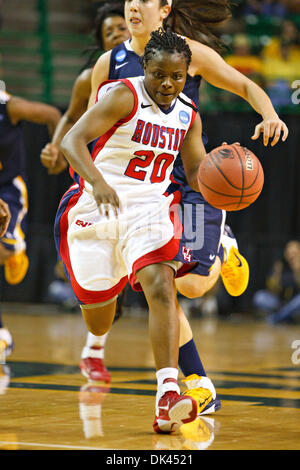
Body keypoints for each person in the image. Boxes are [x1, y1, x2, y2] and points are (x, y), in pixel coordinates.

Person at [87, 0, 288, 413]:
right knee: (160, 285)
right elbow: (92, 132)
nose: (133, 7)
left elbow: (245, 85)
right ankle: (197, 381)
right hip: (143, 192)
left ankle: (225, 243)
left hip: (192, 180)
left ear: (165, 9)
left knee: (191, 285)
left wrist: (269, 114)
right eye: (129, 0)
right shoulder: (109, 63)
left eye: (144, 0)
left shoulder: (189, 53)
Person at [55, 29, 211, 434]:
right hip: (95, 205)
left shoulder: (188, 114)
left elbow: (196, 173)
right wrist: (97, 181)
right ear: (146, 68)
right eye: (159, 74)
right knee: (99, 323)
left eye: (176, 77)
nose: (167, 84)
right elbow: (73, 141)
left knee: (162, 284)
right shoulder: (123, 95)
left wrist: (221, 180)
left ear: (186, 75)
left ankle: (167, 396)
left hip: (149, 208)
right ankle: (119, 278)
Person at [40, 2, 130, 383]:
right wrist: (56, 146)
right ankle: (94, 349)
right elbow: (71, 115)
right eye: (108, 32)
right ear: (101, 42)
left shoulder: (162, 71)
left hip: (149, 180)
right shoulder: (94, 75)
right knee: (108, 278)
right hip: (102, 181)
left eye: (120, 28)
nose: (116, 34)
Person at [0, 87, 61, 383]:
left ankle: (15, 249)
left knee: (3, 252)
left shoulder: (10, 107)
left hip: (7, 191)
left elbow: (51, 114)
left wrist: (56, 151)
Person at [253, 240, 300, 323]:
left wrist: (296, 270)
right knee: (259, 297)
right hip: (280, 303)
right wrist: (277, 274)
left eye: (294, 253)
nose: (291, 256)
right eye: (289, 253)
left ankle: (276, 318)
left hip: (295, 303)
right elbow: (272, 290)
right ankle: (286, 316)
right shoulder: (281, 265)